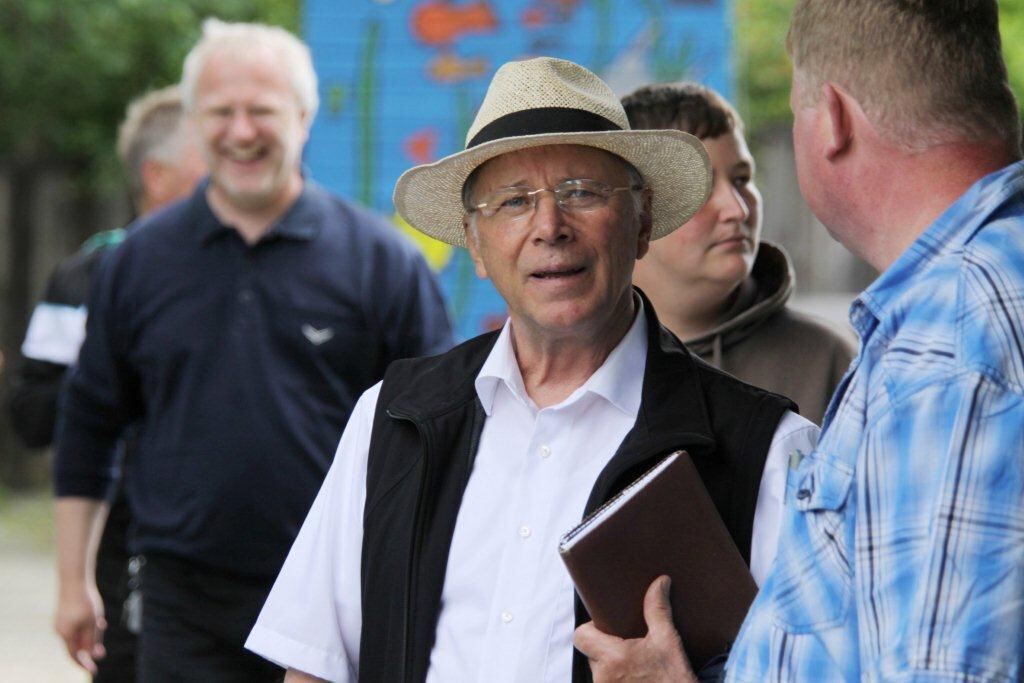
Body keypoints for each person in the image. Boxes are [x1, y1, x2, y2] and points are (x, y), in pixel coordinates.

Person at [245, 56, 819, 683]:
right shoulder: (391, 420)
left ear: (643, 222)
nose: (550, 227)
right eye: (513, 201)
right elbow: (314, 669)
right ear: (475, 243)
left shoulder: (766, 453)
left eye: (582, 191)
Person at [574, 1, 1024, 681]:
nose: (733, 207)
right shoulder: (956, 310)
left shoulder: (949, 348)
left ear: (832, 119)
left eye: (794, 108)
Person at [53, 18, 453, 682]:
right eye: (221, 112)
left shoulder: (382, 263)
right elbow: (89, 424)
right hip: (181, 600)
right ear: (193, 121)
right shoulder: (138, 262)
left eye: (262, 110)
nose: (241, 131)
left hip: (339, 594)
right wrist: (73, 583)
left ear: (303, 116)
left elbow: (443, 436)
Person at [7, 84, 206, 682]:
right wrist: (116, 375)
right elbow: (31, 414)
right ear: (156, 175)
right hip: (125, 544)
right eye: (209, 155)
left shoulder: (248, 267)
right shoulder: (88, 274)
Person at [623, 82, 855, 425]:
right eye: (700, 188)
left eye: (743, 179)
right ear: (636, 212)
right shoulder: (580, 362)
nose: (737, 210)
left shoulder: (829, 360)